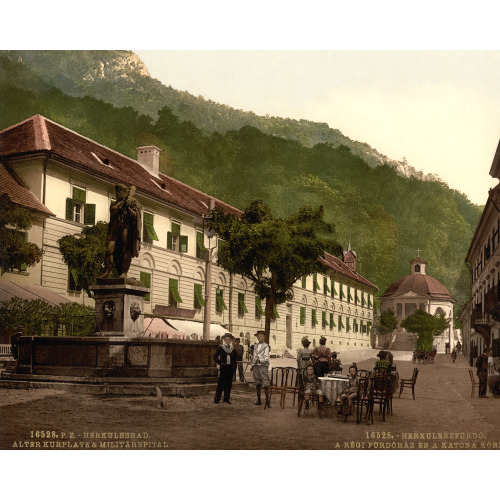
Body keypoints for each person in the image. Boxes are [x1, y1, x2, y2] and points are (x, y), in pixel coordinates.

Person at [100, 184, 141, 278]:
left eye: (119, 192)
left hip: (125, 228)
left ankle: (124, 273)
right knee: (109, 250)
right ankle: (107, 272)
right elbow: (112, 215)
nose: (117, 194)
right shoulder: (114, 204)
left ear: (124, 192)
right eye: (116, 192)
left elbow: (136, 216)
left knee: (125, 250)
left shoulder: (132, 202)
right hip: (114, 229)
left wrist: (129, 207)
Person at [213, 333, 237, 404]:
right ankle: (217, 399)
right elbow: (215, 356)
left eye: (229, 339)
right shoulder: (220, 348)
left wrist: (234, 369)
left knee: (228, 384)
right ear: (224, 340)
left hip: (230, 368)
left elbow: (235, 360)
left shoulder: (233, 349)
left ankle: (226, 399)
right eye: (226, 339)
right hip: (223, 368)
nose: (227, 340)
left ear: (231, 340)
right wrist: (220, 363)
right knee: (221, 384)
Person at [251, 330, 271, 408]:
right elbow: (253, 356)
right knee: (257, 382)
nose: (260, 337)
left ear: (264, 337)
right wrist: (253, 364)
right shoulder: (255, 346)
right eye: (258, 336)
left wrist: (260, 360)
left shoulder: (266, 346)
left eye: (261, 336)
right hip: (256, 366)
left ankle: (267, 401)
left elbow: (266, 358)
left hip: (263, 366)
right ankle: (259, 400)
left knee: (265, 382)